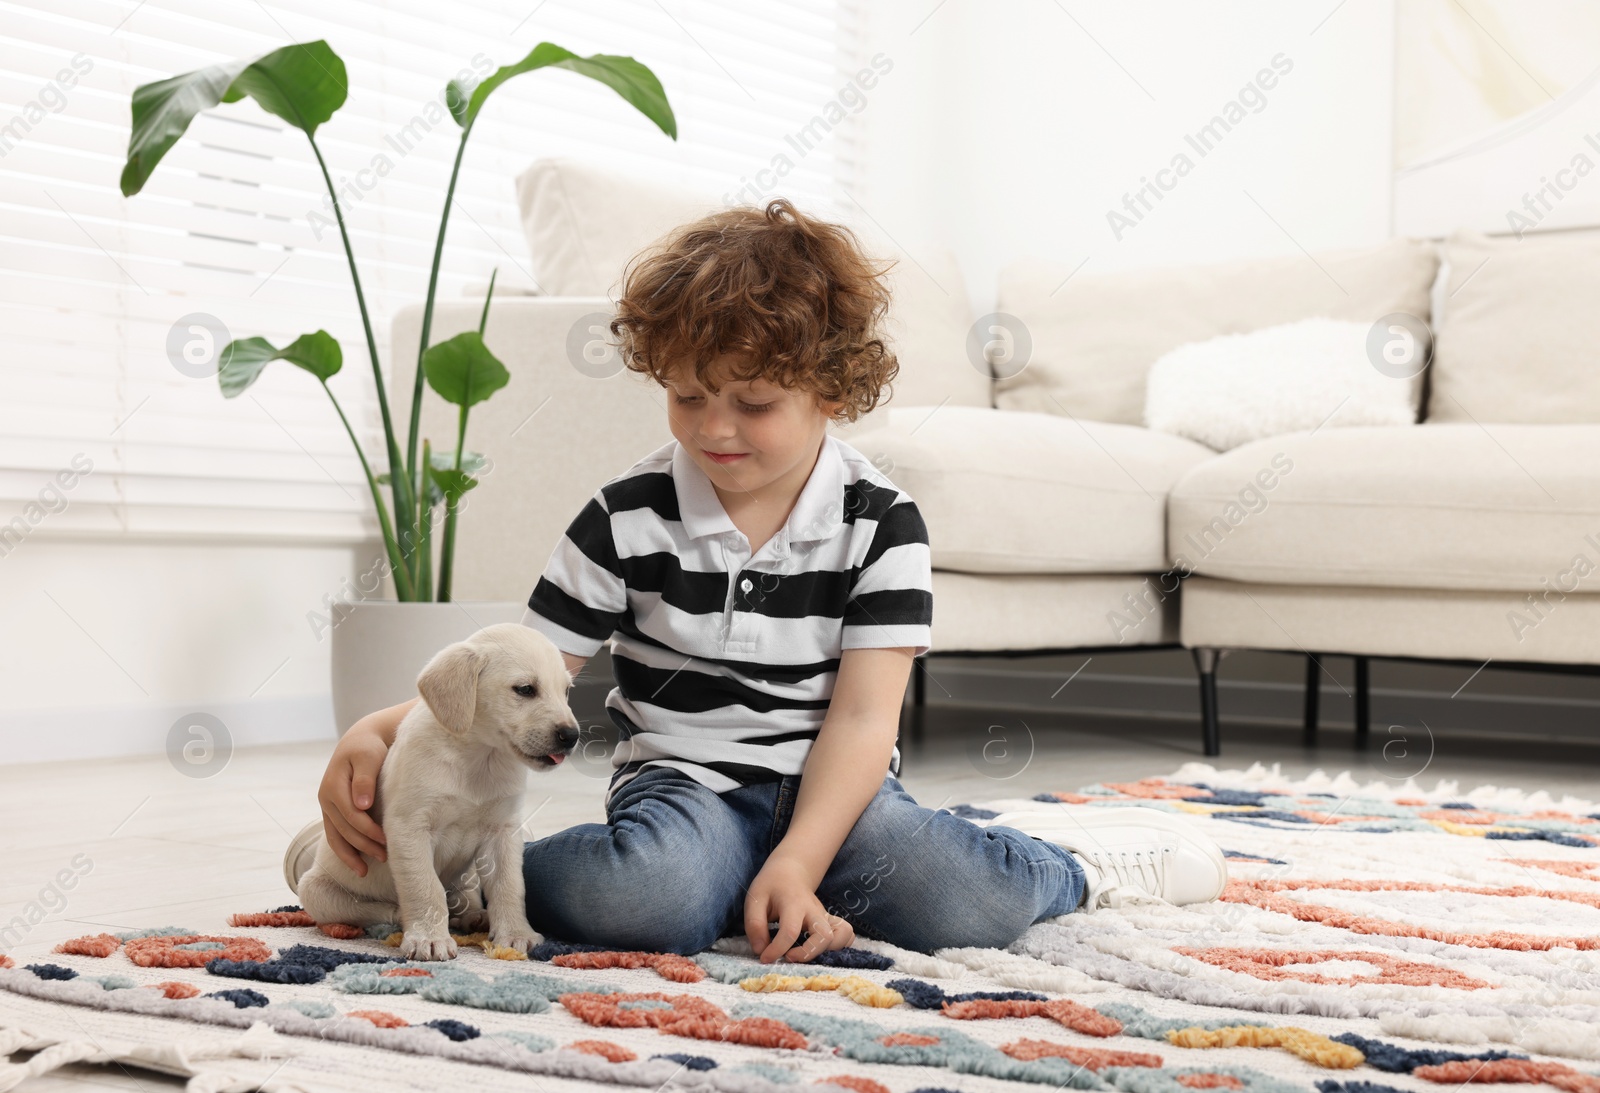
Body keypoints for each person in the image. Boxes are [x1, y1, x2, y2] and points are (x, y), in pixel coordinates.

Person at [285, 197, 1227, 963]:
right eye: (689, 394)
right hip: (681, 790)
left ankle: (1075, 864)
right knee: (640, 898)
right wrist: (373, 735)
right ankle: (535, 879)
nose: (715, 427)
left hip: (838, 795)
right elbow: (521, 672)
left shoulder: (883, 522)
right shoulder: (626, 513)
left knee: (958, 898)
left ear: (832, 388)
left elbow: (863, 724)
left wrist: (804, 857)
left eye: (754, 402)